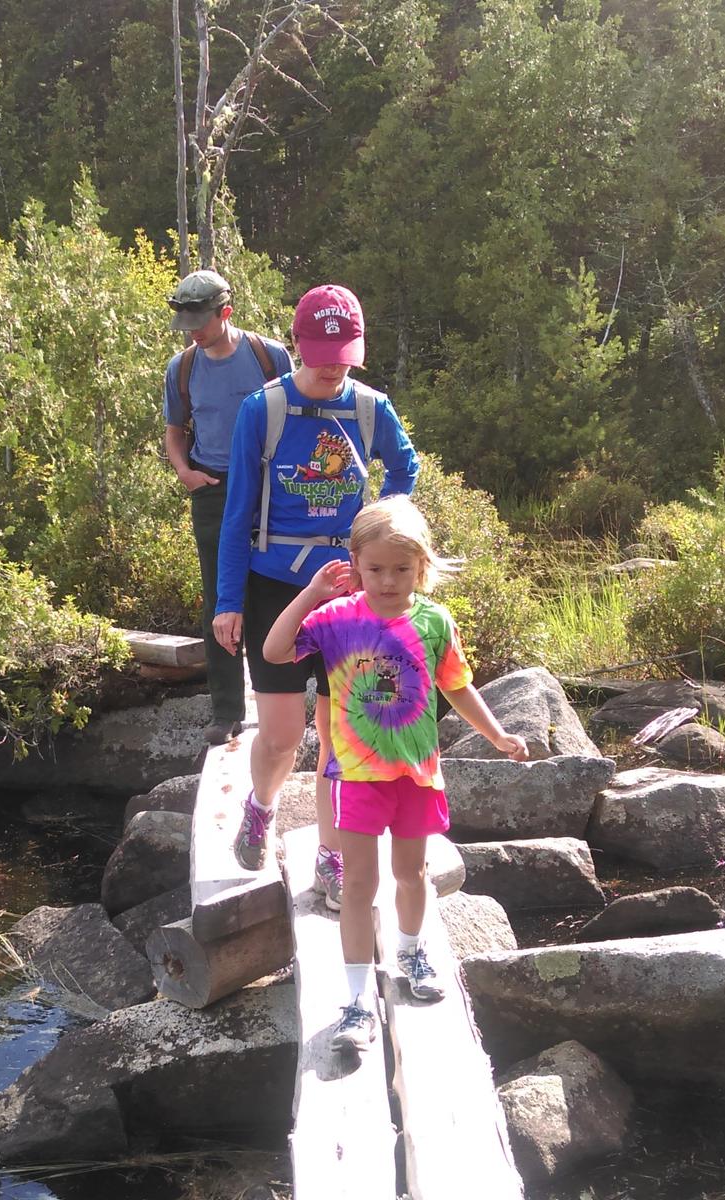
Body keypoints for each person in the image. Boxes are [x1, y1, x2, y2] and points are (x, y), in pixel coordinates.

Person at [262, 495, 529, 1052]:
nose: (388, 580)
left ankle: (410, 951)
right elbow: (274, 649)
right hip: (356, 776)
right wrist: (312, 592)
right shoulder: (337, 619)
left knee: (412, 876)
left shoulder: (434, 620)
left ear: (422, 567)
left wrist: (497, 734)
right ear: (355, 562)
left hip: (416, 775)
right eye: (376, 568)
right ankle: (356, 1002)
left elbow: (456, 686)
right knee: (359, 886)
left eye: (402, 569)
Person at [211, 283, 419, 912]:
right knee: (278, 734)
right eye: (323, 350)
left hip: (346, 590)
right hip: (274, 584)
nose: (335, 364)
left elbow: (404, 469)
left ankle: (332, 858)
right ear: (299, 343)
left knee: (336, 735)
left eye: (346, 351)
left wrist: (379, 528)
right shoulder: (262, 410)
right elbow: (236, 512)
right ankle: (260, 807)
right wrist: (228, 599)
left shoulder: (371, 408)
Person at [163, 269, 293, 745]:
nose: (193, 331)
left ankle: (275, 693)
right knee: (220, 592)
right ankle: (226, 711)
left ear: (227, 313)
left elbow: (297, 412)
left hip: (269, 485)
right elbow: (175, 431)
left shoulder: (268, 356)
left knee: (269, 587)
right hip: (213, 485)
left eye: (201, 320)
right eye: (186, 322)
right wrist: (185, 472)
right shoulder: (181, 368)